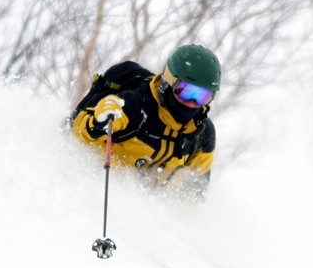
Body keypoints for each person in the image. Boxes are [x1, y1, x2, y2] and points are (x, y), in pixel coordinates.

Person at [71, 44, 220, 199]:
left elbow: (195, 189)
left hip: (145, 206)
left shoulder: (201, 134)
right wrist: (99, 122)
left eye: (203, 96)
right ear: (169, 82)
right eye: (186, 91)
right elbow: (79, 134)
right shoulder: (133, 103)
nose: (192, 102)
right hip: (97, 189)